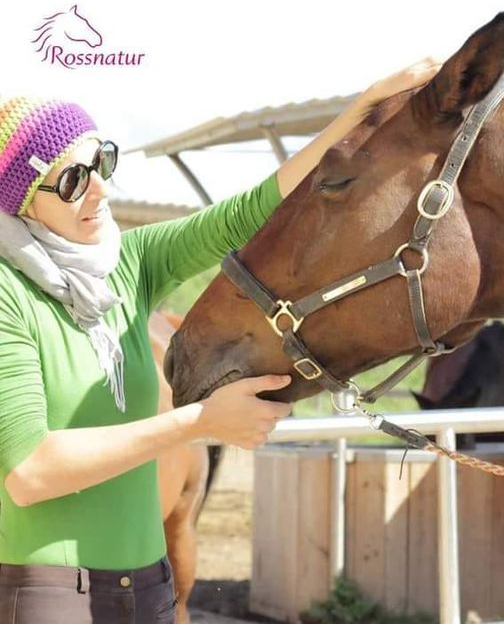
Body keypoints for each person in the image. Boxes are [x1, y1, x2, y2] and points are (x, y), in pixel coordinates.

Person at [0, 58, 440, 624]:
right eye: (71, 180)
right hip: (50, 599)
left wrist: (355, 114)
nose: (100, 190)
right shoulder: (9, 294)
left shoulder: (128, 264)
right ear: (23, 203)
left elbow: (246, 213)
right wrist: (200, 422)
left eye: (101, 160)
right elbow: (30, 473)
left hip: (151, 588)